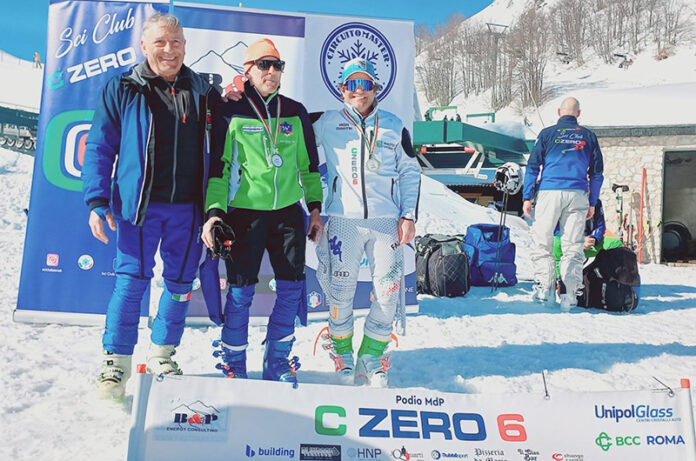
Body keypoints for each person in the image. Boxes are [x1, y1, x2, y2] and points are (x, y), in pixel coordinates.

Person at [82, 13, 218, 400]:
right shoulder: (124, 87)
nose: (169, 49)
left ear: (185, 46)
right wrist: (97, 200)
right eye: (160, 42)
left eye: (175, 42)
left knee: (179, 287)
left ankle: (161, 355)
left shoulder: (204, 91)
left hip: (188, 211)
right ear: (144, 46)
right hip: (138, 208)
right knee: (131, 283)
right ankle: (115, 363)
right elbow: (99, 145)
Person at [202, 38, 323, 384]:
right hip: (244, 214)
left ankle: (277, 360)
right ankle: (234, 362)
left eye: (277, 65)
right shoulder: (230, 110)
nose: (271, 71)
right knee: (241, 292)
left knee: (291, 289)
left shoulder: (295, 111)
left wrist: (314, 209)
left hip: (288, 214)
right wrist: (214, 213)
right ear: (248, 70)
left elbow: (309, 167)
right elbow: (219, 168)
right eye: (263, 64)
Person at [313, 58, 421, 387]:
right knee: (340, 293)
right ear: (342, 89)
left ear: (376, 88)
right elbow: (286, 130)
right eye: (352, 84)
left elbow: (410, 171)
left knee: (388, 294)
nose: (359, 91)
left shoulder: (393, 125)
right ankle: (342, 353)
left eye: (366, 84)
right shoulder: (326, 122)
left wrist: (408, 215)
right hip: (343, 221)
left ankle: (372, 355)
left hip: (386, 221)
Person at [522, 96, 604, 310]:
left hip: (549, 192)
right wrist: (592, 202)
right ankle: (569, 296)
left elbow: (533, 167)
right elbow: (597, 173)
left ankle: (546, 291)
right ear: (579, 114)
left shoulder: (547, 134)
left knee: (543, 242)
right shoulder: (589, 136)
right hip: (577, 193)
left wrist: (527, 196)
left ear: (559, 112)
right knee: (573, 246)